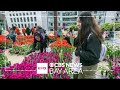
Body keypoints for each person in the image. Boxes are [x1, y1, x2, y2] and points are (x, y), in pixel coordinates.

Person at [65, 11, 103, 79]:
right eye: (77, 22)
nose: (77, 24)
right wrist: (67, 38)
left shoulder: (93, 36)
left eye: (80, 22)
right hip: (81, 62)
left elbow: (93, 55)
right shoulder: (82, 32)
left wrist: (79, 52)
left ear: (86, 22)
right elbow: (75, 43)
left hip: (89, 66)